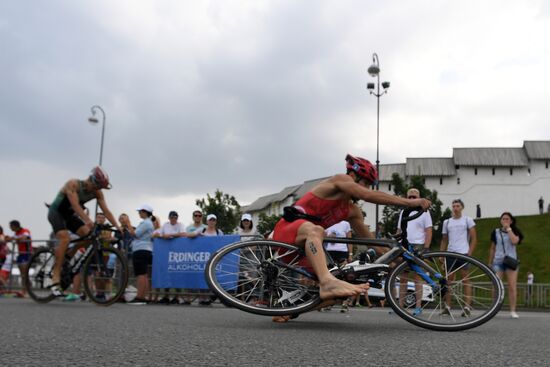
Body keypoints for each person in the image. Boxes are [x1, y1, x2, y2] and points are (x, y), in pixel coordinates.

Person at [271, 154, 431, 322]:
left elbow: (372, 242)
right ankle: (327, 282)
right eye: (366, 183)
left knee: (342, 289)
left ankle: (289, 310)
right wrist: (410, 202)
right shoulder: (340, 180)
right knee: (317, 230)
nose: (368, 187)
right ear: (354, 176)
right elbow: (367, 195)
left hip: (307, 248)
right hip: (288, 231)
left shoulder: (352, 211)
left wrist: (395, 261)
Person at [47, 166, 120, 296]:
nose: (97, 190)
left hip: (70, 216)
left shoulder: (97, 192)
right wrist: (88, 220)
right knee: (65, 238)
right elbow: (75, 205)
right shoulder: (73, 184)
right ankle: (55, 277)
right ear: (91, 179)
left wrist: (118, 226)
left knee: (88, 236)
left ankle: (68, 256)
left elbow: (106, 211)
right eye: (96, 186)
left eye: (99, 188)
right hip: (56, 213)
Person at [396, 188, 433, 316]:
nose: (412, 199)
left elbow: (429, 230)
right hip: (405, 244)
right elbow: (399, 230)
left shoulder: (424, 212)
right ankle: (400, 307)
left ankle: (418, 306)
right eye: (410, 197)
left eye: (414, 197)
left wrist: (426, 247)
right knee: (403, 278)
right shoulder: (403, 212)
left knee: (418, 277)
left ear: (419, 197)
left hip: (418, 245)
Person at [440, 199, 477, 316]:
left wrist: (469, 253)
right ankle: (447, 307)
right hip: (450, 253)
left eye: (458, 206)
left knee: (465, 279)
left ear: (462, 207)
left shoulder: (467, 220)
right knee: (448, 280)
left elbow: (474, 238)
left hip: (463, 252)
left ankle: (467, 307)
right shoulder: (447, 222)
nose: (455, 208)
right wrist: (441, 253)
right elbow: (444, 239)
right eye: (454, 206)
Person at [488, 212, 523, 319]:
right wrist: (490, 262)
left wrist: (509, 229)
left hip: (511, 261)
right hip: (498, 261)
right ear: (500, 220)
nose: (505, 221)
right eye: (503, 219)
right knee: (496, 285)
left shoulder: (515, 231)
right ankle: (493, 309)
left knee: (512, 286)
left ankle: (512, 310)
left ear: (511, 221)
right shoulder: (496, 232)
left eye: (507, 219)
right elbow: (493, 247)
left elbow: (514, 241)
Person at [125, 204, 155, 305]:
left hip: (141, 250)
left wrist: (128, 223)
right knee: (144, 274)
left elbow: (135, 234)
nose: (139, 213)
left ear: (145, 212)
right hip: (146, 249)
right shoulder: (148, 223)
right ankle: (142, 296)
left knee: (141, 274)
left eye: (140, 211)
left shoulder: (146, 223)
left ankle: (140, 297)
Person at [157, 211, 187, 305]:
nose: (174, 219)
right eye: (172, 217)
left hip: (177, 254)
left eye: (175, 217)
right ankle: (166, 296)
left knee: (176, 275)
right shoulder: (165, 225)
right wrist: (162, 236)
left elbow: (183, 234)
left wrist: (171, 235)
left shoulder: (180, 225)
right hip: (166, 253)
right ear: (169, 218)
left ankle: (177, 297)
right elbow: (157, 233)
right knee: (167, 274)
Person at [5, 220, 32, 297]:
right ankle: (27, 288)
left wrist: (14, 238)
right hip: (20, 254)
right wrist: (11, 238)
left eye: (11, 226)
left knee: (24, 274)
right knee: (22, 274)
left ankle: (24, 291)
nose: (10, 228)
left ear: (14, 226)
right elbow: (10, 239)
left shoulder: (25, 231)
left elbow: (24, 237)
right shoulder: (16, 233)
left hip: (26, 254)